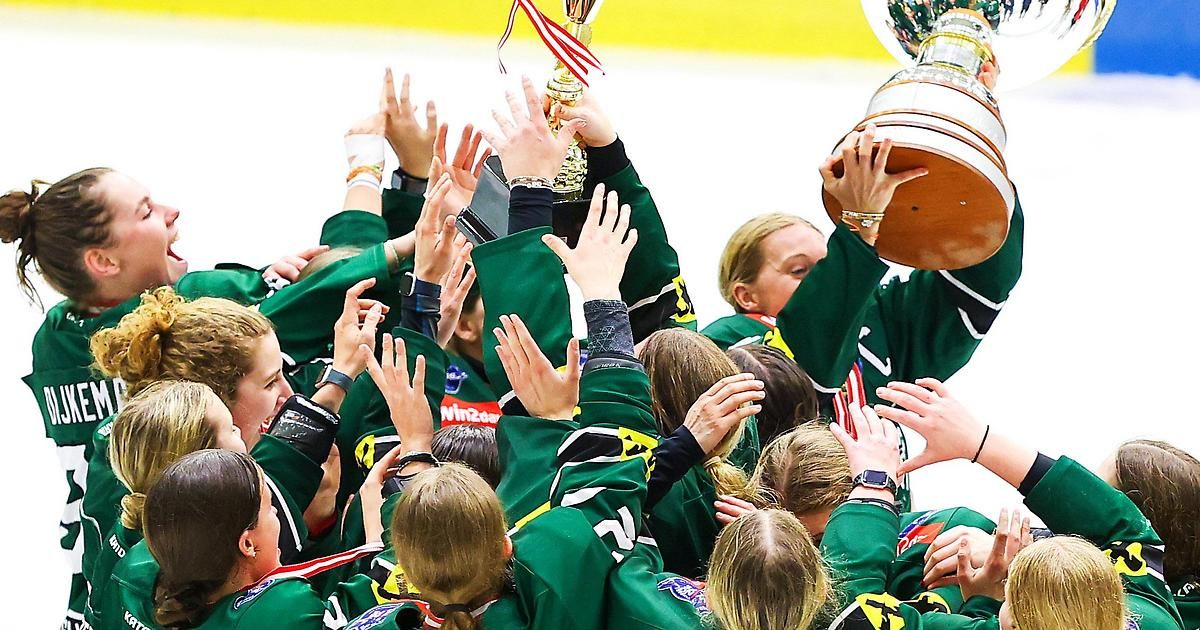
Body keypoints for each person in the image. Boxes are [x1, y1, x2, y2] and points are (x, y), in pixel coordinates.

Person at [0, 80, 427, 625]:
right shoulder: (197, 307)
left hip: (100, 577)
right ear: (103, 261)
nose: (171, 212)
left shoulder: (54, 339)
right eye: (146, 211)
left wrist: (264, 281)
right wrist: (381, 188)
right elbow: (340, 280)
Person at [701, 64, 1020, 511]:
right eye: (799, 270)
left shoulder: (879, 323)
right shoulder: (724, 344)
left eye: (825, 265)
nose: (823, 278)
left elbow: (978, 281)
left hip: (877, 529)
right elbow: (806, 360)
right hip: (776, 546)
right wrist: (860, 225)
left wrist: (971, 136)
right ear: (745, 294)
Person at [814, 379, 1185, 629]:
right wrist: (987, 601)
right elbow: (1125, 531)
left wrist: (873, 484)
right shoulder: (1152, 620)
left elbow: (846, 612)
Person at [102, 448, 397, 629]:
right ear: (246, 543)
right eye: (270, 508)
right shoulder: (282, 609)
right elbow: (369, 616)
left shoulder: (137, 575)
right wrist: (384, 523)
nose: (278, 517)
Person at [719, 422, 996, 612]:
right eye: (794, 541)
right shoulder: (758, 551)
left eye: (821, 539)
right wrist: (764, 558)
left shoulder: (952, 540)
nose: (808, 556)